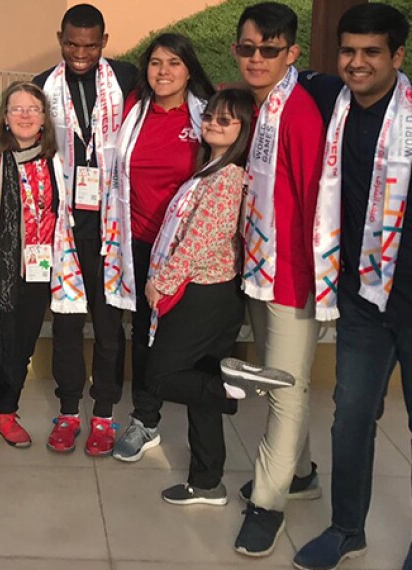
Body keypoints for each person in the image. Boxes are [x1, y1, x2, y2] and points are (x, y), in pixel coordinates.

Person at [290, 4, 412, 570]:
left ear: (397, 56)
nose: (356, 63)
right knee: (351, 416)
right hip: (363, 298)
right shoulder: (326, 99)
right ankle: (346, 529)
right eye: (348, 51)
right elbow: (267, 73)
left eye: (371, 53)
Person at [145, 88, 290, 506]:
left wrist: (164, 282)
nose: (212, 123)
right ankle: (207, 481)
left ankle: (234, 385)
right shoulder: (212, 168)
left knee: (160, 375)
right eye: (210, 116)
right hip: (210, 292)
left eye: (225, 120)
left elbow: (203, 239)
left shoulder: (227, 177)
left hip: (204, 293)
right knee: (199, 384)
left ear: (244, 130)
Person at [224, 1, 327, 558]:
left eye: (270, 49)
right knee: (277, 381)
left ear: (291, 52)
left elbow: (318, 203)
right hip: (260, 268)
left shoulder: (302, 114)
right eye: (248, 47)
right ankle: (303, 472)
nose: (256, 58)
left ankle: (267, 505)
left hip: (292, 277)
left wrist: (317, 283)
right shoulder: (257, 107)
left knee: (283, 395)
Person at [0, 81, 83, 476]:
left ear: (44, 117)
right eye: (17, 108)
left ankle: (4, 410)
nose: (25, 115)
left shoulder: (55, 159)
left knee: (21, 349)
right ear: (5, 117)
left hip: (37, 271)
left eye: (33, 108)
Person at [34, 3, 138, 455]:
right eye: (72, 44)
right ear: (60, 38)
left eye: (90, 45)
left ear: (104, 43)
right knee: (68, 325)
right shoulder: (43, 86)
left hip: (114, 224)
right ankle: (69, 410)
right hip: (65, 227)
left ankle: (104, 414)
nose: (80, 53)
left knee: (111, 327)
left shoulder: (129, 80)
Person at [109, 32, 215, 462]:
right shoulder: (133, 111)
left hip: (187, 250)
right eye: (155, 62)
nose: (164, 71)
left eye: (174, 62)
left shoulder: (207, 117)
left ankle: (206, 443)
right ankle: (145, 420)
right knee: (144, 335)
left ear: (190, 69)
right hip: (137, 243)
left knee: (191, 340)